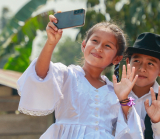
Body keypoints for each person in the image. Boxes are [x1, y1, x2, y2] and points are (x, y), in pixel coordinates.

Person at [16, 14, 144, 139]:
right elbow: (40, 74)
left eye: (107, 46)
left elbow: (132, 123)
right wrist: (51, 42)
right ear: (84, 46)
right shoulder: (67, 75)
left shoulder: (116, 90)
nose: (99, 48)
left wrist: (124, 98)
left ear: (117, 59)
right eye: (95, 41)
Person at [124, 32, 160, 139]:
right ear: (128, 62)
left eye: (150, 63)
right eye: (137, 61)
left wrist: (156, 122)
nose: (142, 68)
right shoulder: (114, 95)